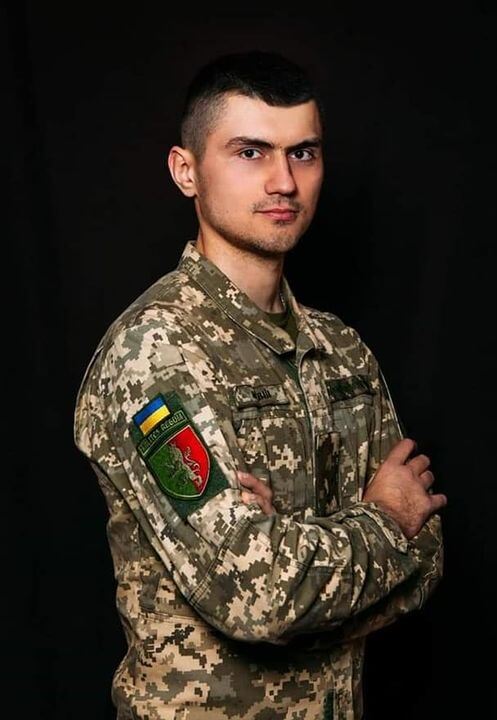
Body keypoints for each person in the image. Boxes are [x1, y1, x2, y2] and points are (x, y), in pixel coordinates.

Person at [73, 50, 446, 720]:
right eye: (251, 152)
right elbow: (260, 597)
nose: (284, 181)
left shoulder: (340, 350)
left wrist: (292, 559)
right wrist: (383, 520)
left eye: (304, 153)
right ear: (186, 171)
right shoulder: (155, 352)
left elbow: (427, 561)